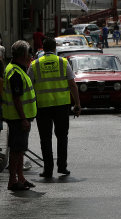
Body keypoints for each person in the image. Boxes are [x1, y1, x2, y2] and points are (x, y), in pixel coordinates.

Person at [27, 38, 81, 178]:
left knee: (45, 139)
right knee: (62, 137)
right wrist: (77, 104)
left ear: (43, 48)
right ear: (55, 48)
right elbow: (72, 85)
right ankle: (62, 167)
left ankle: (48, 169)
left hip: (43, 107)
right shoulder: (63, 62)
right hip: (61, 106)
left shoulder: (35, 64)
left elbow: (28, 87)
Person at [1, 40, 37, 190]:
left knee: (20, 149)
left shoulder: (16, 68)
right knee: (16, 150)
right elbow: (17, 99)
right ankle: (13, 181)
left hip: (19, 118)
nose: (30, 56)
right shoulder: (15, 72)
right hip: (18, 119)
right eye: (29, 53)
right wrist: (23, 119)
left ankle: (20, 178)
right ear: (23, 54)